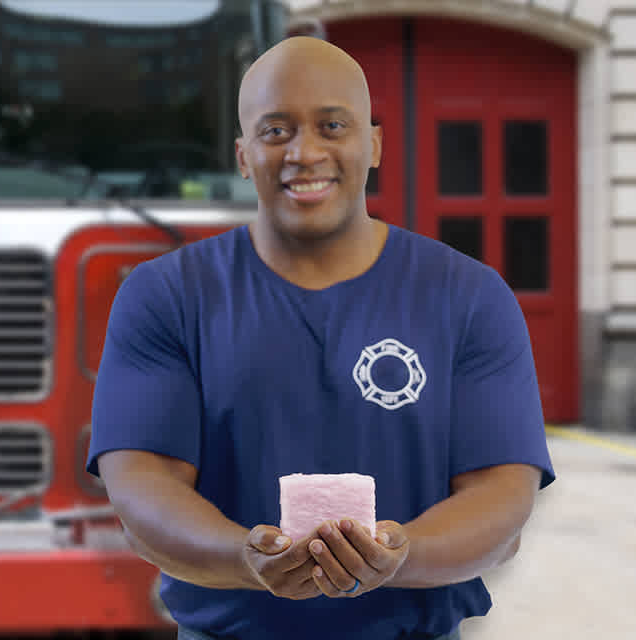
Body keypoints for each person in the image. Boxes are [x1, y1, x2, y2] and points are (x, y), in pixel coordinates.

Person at [86, 36, 555, 640]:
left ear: (373, 144)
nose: (304, 153)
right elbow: (142, 486)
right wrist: (244, 558)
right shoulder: (166, 295)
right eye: (275, 131)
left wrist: (401, 555)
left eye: (332, 126)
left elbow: (502, 496)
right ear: (242, 154)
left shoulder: (469, 296)